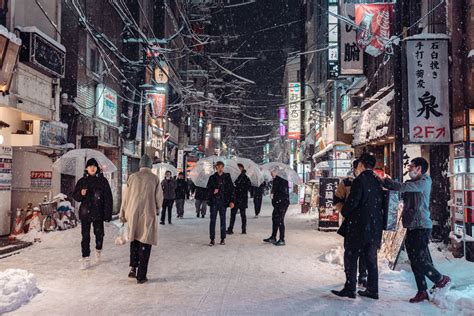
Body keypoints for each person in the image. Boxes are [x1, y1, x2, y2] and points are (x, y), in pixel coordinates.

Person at [379, 157, 451, 303]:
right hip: (411, 226)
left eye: (411, 166)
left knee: (419, 259)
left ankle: (441, 280)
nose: (409, 168)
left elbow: (403, 188)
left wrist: (385, 181)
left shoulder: (424, 182)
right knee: (415, 260)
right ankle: (422, 291)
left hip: (422, 227)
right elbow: (402, 189)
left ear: (419, 169)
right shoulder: (412, 183)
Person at [331, 153, 383, 300]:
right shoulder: (377, 180)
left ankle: (350, 288)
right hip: (374, 227)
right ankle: (373, 290)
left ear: (361, 164)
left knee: (351, 257)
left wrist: (345, 211)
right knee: (371, 260)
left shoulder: (359, 181)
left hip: (358, 227)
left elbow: (351, 204)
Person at [119, 154, 163, 284]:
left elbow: (125, 197)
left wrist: (123, 213)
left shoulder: (132, 177)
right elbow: (159, 198)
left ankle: (133, 267)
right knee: (145, 241)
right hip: (147, 213)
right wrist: (157, 208)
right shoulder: (154, 179)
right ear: (150, 166)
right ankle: (141, 275)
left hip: (132, 213)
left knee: (134, 239)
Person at [73, 158, 113, 270]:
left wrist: (107, 214)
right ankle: (85, 258)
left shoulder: (102, 181)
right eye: (90, 166)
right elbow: (76, 196)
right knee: (85, 236)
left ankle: (98, 249)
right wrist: (81, 193)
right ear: (86, 168)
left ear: (97, 168)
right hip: (85, 212)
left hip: (98, 212)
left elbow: (108, 198)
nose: (92, 168)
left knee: (99, 233)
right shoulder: (82, 181)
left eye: (94, 166)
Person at [334, 159, 368, 288]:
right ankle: (350, 279)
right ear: (355, 168)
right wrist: (344, 211)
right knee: (350, 252)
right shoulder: (347, 183)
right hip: (350, 222)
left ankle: (362, 276)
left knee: (364, 252)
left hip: (365, 222)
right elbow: (337, 199)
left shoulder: (370, 181)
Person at [206, 161, 235, 246]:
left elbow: (231, 190)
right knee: (213, 221)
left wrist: (232, 201)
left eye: (221, 167)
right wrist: (213, 191)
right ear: (216, 168)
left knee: (223, 220)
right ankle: (212, 239)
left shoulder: (227, 177)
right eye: (218, 167)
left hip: (223, 202)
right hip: (214, 202)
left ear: (223, 167)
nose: (220, 169)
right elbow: (208, 190)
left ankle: (223, 238)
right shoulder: (212, 177)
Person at [263, 170, 289, 246]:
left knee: (280, 220)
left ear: (276, 172)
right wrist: (272, 193)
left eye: (272, 172)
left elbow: (282, 191)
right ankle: (273, 236)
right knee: (274, 218)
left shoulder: (281, 179)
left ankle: (282, 239)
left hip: (282, 202)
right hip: (277, 203)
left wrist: (274, 192)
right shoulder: (276, 179)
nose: (271, 173)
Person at [227, 164, 251, 235]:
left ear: (242, 169)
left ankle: (244, 229)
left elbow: (248, 187)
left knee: (243, 214)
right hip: (235, 198)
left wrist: (239, 186)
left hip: (242, 198)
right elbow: (230, 187)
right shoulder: (234, 177)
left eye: (240, 168)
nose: (238, 170)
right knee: (233, 214)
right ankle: (230, 229)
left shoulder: (246, 177)